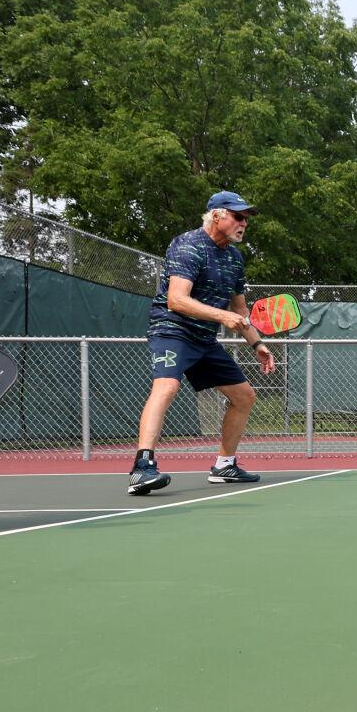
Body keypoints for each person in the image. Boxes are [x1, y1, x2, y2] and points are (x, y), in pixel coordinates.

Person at [128, 191, 275, 494]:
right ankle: (142, 468)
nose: (244, 223)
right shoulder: (188, 245)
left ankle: (225, 466)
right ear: (217, 215)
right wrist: (222, 316)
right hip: (172, 330)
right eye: (238, 216)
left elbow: (239, 310)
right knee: (167, 387)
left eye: (246, 219)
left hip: (205, 338)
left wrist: (257, 344)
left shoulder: (234, 258)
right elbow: (177, 300)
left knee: (244, 396)